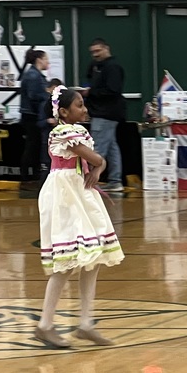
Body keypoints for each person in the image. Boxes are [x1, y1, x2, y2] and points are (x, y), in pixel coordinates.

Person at [34, 86, 124, 348]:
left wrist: (100, 164)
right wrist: (101, 164)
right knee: (68, 261)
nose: (85, 109)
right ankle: (45, 325)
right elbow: (94, 158)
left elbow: (95, 161)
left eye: (84, 105)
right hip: (64, 194)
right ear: (63, 111)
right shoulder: (63, 132)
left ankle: (85, 324)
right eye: (79, 105)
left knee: (93, 257)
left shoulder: (77, 131)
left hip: (79, 190)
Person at [82, 38, 125, 193]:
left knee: (97, 148)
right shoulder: (94, 66)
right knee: (112, 147)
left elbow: (113, 91)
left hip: (107, 113)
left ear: (106, 48)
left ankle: (91, 181)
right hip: (100, 112)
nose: (95, 54)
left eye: (98, 51)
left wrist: (91, 92)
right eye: (92, 52)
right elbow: (89, 80)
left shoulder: (113, 67)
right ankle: (115, 180)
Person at [19, 46, 50, 188]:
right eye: (46, 60)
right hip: (31, 116)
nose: (47, 63)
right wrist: (48, 95)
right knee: (32, 146)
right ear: (39, 60)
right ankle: (26, 178)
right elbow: (33, 95)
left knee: (34, 146)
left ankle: (32, 176)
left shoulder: (36, 75)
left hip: (32, 114)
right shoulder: (33, 76)